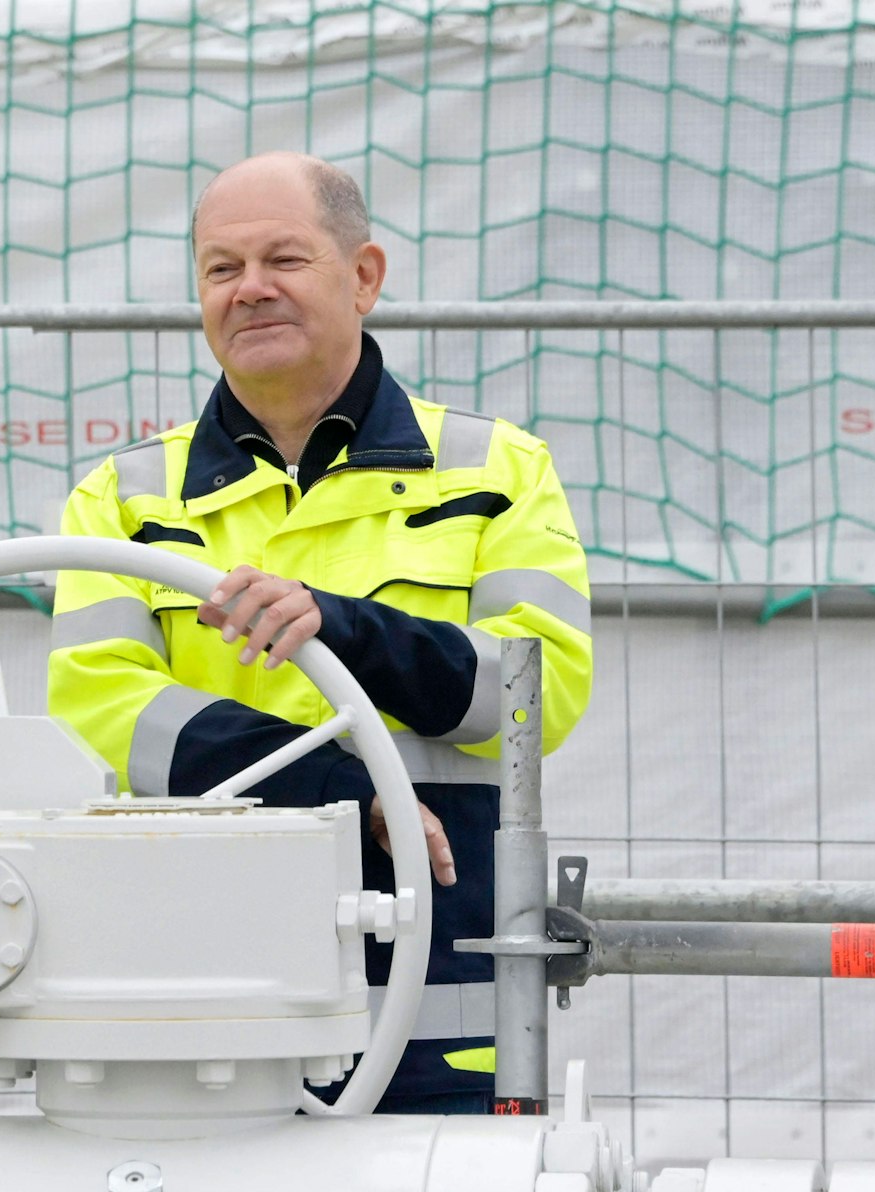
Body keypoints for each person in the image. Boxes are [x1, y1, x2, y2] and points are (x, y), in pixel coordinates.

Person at [47, 152, 592, 1113]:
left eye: (283, 259)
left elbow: (534, 696)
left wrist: (346, 629)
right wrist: (336, 790)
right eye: (221, 268)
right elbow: (102, 711)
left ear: (364, 276)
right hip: (204, 1022)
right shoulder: (121, 501)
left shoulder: (497, 471)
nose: (249, 289)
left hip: (445, 1023)